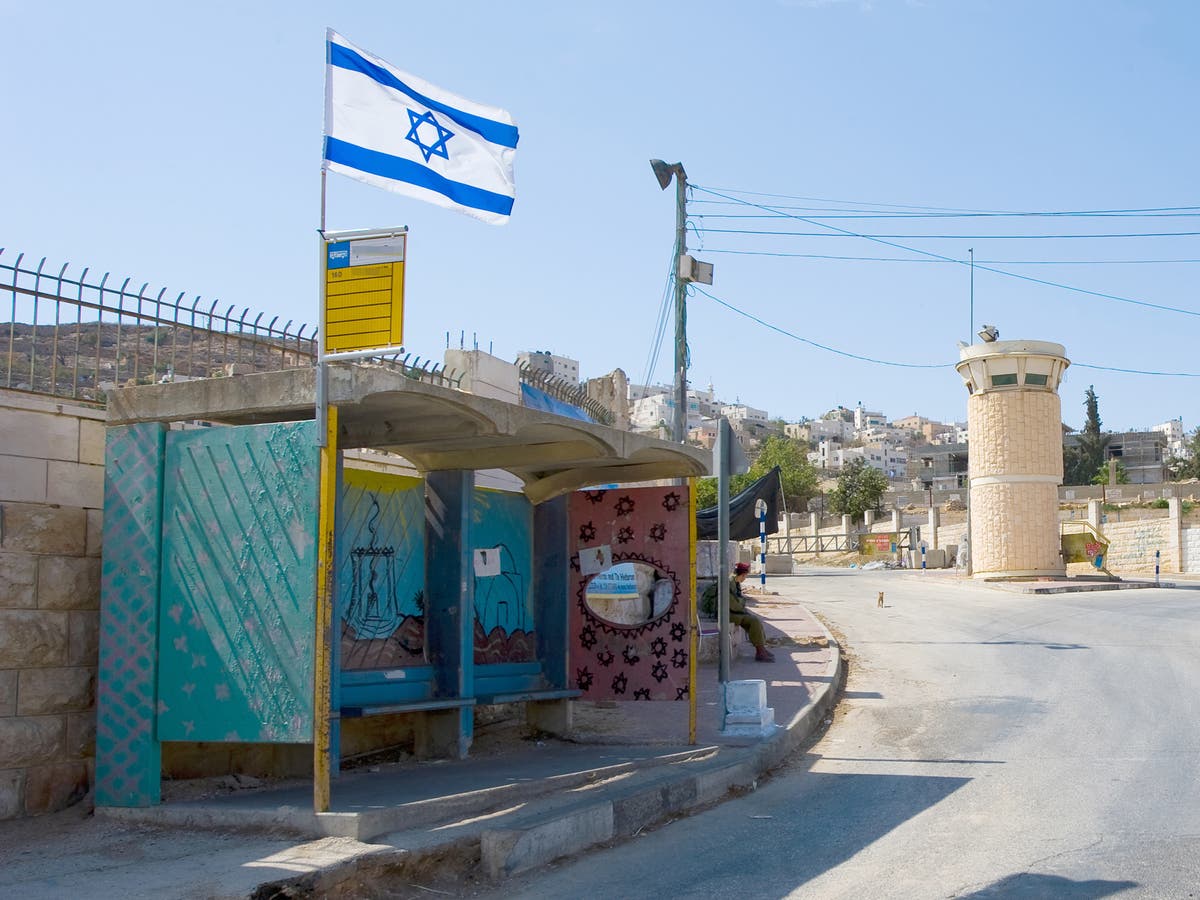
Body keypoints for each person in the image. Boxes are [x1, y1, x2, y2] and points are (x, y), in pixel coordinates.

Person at [699, 562, 775, 662]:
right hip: (725, 614)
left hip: (729, 612)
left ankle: (761, 648)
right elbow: (734, 604)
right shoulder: (730, 583)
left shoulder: (734, 581)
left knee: (754, 621)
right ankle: (760, 651)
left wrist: (741, 606)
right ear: (743, 574)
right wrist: (743, 605)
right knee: (753, 621)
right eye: (746, 575)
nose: (746, 578)